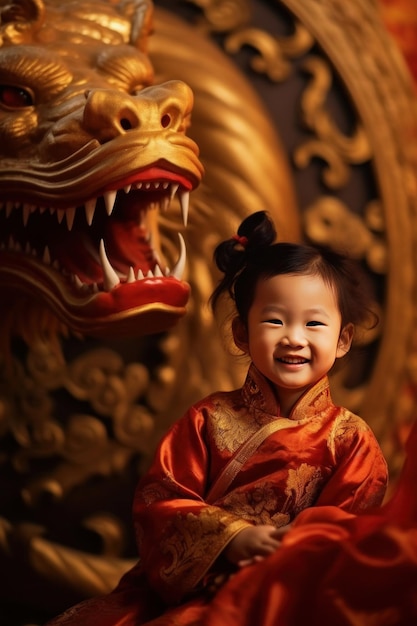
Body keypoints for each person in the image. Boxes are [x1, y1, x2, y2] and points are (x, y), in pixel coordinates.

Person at [46, 210, 388, 626]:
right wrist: (233, 538)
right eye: (275, 320)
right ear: (242, 333)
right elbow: (160, 501)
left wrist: (285, 550)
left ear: (343, 339)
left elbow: (346, 535)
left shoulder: (351, 440)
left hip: (284, 600)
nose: (294, 337)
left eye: (314, 323)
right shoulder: (208, 418)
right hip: (193, 589)